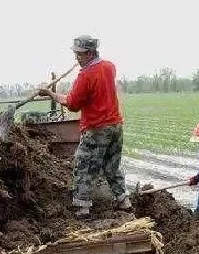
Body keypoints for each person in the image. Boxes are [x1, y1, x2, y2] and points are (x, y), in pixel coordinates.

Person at [39, 35, 131, 219]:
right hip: (115, 126)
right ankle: (124, 201)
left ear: (90, 53)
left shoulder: (86, 75)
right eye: (75, 53)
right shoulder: (109, 66)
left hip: (96, 128)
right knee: (112, 165)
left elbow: (72, 104)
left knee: (84, 166)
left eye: (79, 54)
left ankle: (82, 209)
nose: (76, 58)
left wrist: (50, 93)